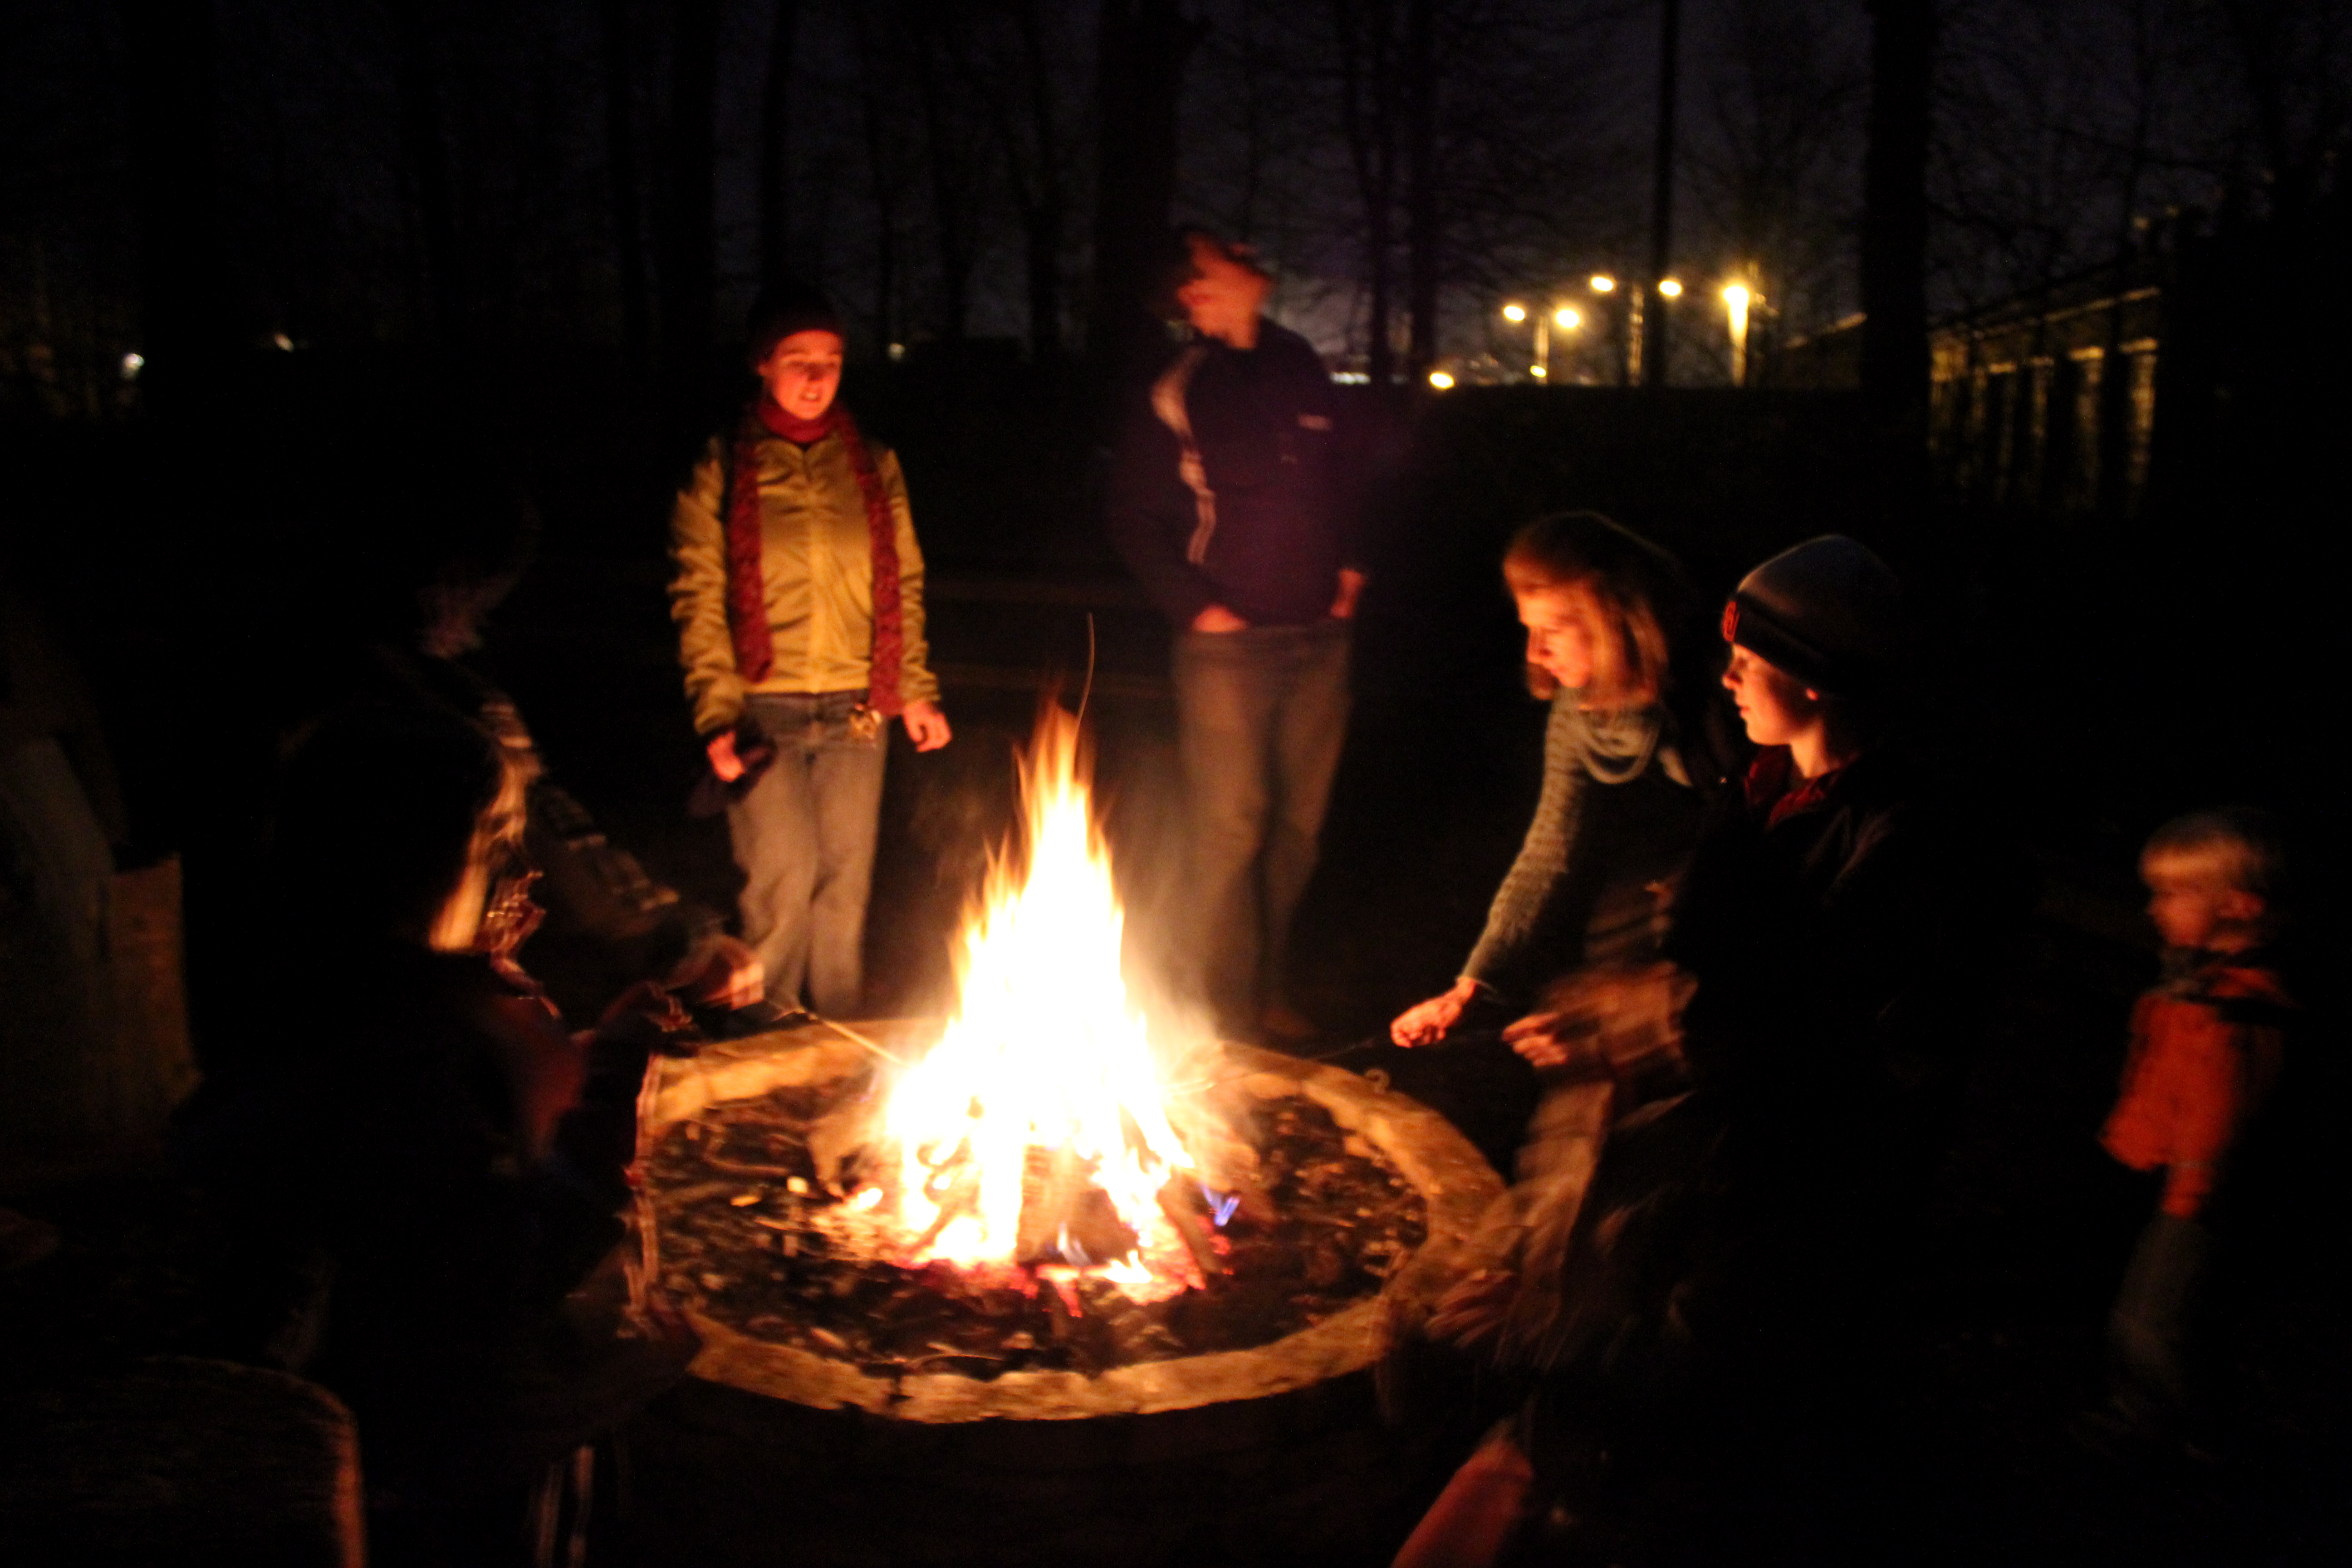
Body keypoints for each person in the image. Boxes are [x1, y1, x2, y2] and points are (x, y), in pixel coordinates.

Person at [1413, 535, 1971, 1564]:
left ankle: (1595, 1469)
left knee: (1668, 1379)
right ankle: (1555, 1389)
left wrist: (1625, 1019)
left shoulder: (1897, 840)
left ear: (1813, 679)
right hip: (1715, 1144)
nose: (1728, 678)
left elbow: (1804, 1023)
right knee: (1601, 1296)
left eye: (1748, 665)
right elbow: (1700, 957)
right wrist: (1593, 1009)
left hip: (1779, 1182)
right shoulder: (1766, 784)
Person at [176, 704, 694, 1564]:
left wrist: (484, 962)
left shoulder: (320, 990)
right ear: (407, 859)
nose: (518, 870)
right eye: (493, 838)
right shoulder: (410, 1063)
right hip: (459, 1455)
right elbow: (521, 1260)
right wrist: (614, 1081)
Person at [1371, 512, 1705, 1176]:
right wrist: (1471, 987)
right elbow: (1551, 847)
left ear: (1614, 622)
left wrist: (1649, 980)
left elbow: (1761, 845)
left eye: (1554, 631)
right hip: (1662, 891)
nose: (1535, 654)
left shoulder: (1710, 693)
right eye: (1529, 630)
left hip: (1735, 914)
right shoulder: (1581, 710)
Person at [1107, 227, 1365, 1040]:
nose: (1249, 250)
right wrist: (1198, 609)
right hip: (1229, 651)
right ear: (1196, 292)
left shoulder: (1299, 361)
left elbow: (1345, 475)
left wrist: (1352, 571)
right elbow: (1131, 516)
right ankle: (1214, 1007)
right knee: (1231, 829)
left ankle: (1269, 991)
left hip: (1319, 640)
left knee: (1299, 832)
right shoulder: (1179, 388)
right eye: (1225, 253)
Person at [669, 283, 950, 1019]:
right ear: (763, 364)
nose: (817, 377)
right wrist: (717, 716)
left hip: (861, 706)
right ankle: (769, 1030)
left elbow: (903, 581)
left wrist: (913, 688)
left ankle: (836, 1033)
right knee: (781, 882)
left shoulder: (873, 465)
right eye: (799, 360)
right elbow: (698, 597)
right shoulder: (724, 468)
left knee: (845, 882)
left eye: (831, 360)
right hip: (764, 708)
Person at [2089, 808, 2291, 1454]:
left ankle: (2180, 1430)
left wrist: (2190, 1195)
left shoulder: (2231, 1011)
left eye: (2174, 895)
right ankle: (2149, 1413)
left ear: (2236, 906)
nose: (2154, 909)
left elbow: (2218, 1117)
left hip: (2195, 1196)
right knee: (2151, 1307)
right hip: (2168, 1177)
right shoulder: (2197, 985)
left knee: (2153, 1319)